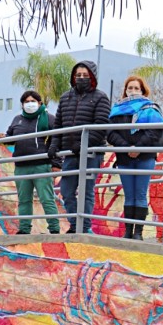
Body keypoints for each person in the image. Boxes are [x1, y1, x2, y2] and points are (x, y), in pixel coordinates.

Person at [47, 61, 111, 234]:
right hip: (70, 153)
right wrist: (54, 145)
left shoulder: (100, 97)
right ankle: (76, 224)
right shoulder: (66, 97)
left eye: (85, 75)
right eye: (78, 75)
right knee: (66, 191)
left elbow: (101, 126)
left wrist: (84, 143)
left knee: (86, 190)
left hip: (91, 152)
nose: (81, 78)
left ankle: (84, 226)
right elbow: (59, 124)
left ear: (92, 77)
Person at [107, 76, 163, 240]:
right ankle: (128, 231)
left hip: (145, 157)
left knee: (140, 194)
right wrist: (126, 148)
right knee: (129, 194)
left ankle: (138, 232)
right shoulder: (117, 109)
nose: (132, 91)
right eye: (129, 88)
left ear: (143, 90)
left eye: (136, 88)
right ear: (125, 90)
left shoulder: (151, 108)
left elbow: (156, 131)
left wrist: (138, 147)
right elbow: (110, 132)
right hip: (124, 158)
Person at [0, 91, 62, 235]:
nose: (30, 103)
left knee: (47, 199)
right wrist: (3, 137)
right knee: (24, 200)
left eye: (33, 100)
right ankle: (24, 229)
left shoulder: (50, 119)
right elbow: (11, 138)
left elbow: (57, 141)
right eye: (26, 101)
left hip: (41, 165)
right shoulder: (17, 119)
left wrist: (56, 164)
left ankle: (54, 228)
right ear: (22, 104)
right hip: (21, 166)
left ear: (40, 103)